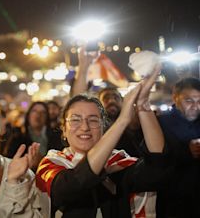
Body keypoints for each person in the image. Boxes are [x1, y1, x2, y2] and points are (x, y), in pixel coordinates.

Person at [36, 66, 169, 217]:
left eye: (93, 120)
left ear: (103, 129)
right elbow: (72, 185)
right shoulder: (51, 164)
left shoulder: (118, 162)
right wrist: (123, 120)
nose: (85, 127)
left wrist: (143, 106)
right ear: (64, 130)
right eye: (75, 120)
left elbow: (157, 166)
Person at [157, 77, 200, 217]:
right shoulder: (161, 123)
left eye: (199, 101)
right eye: (189, 100)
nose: (195, 106)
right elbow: (153, 160)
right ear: (175, 98)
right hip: (173, 202)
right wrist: (186, 152)